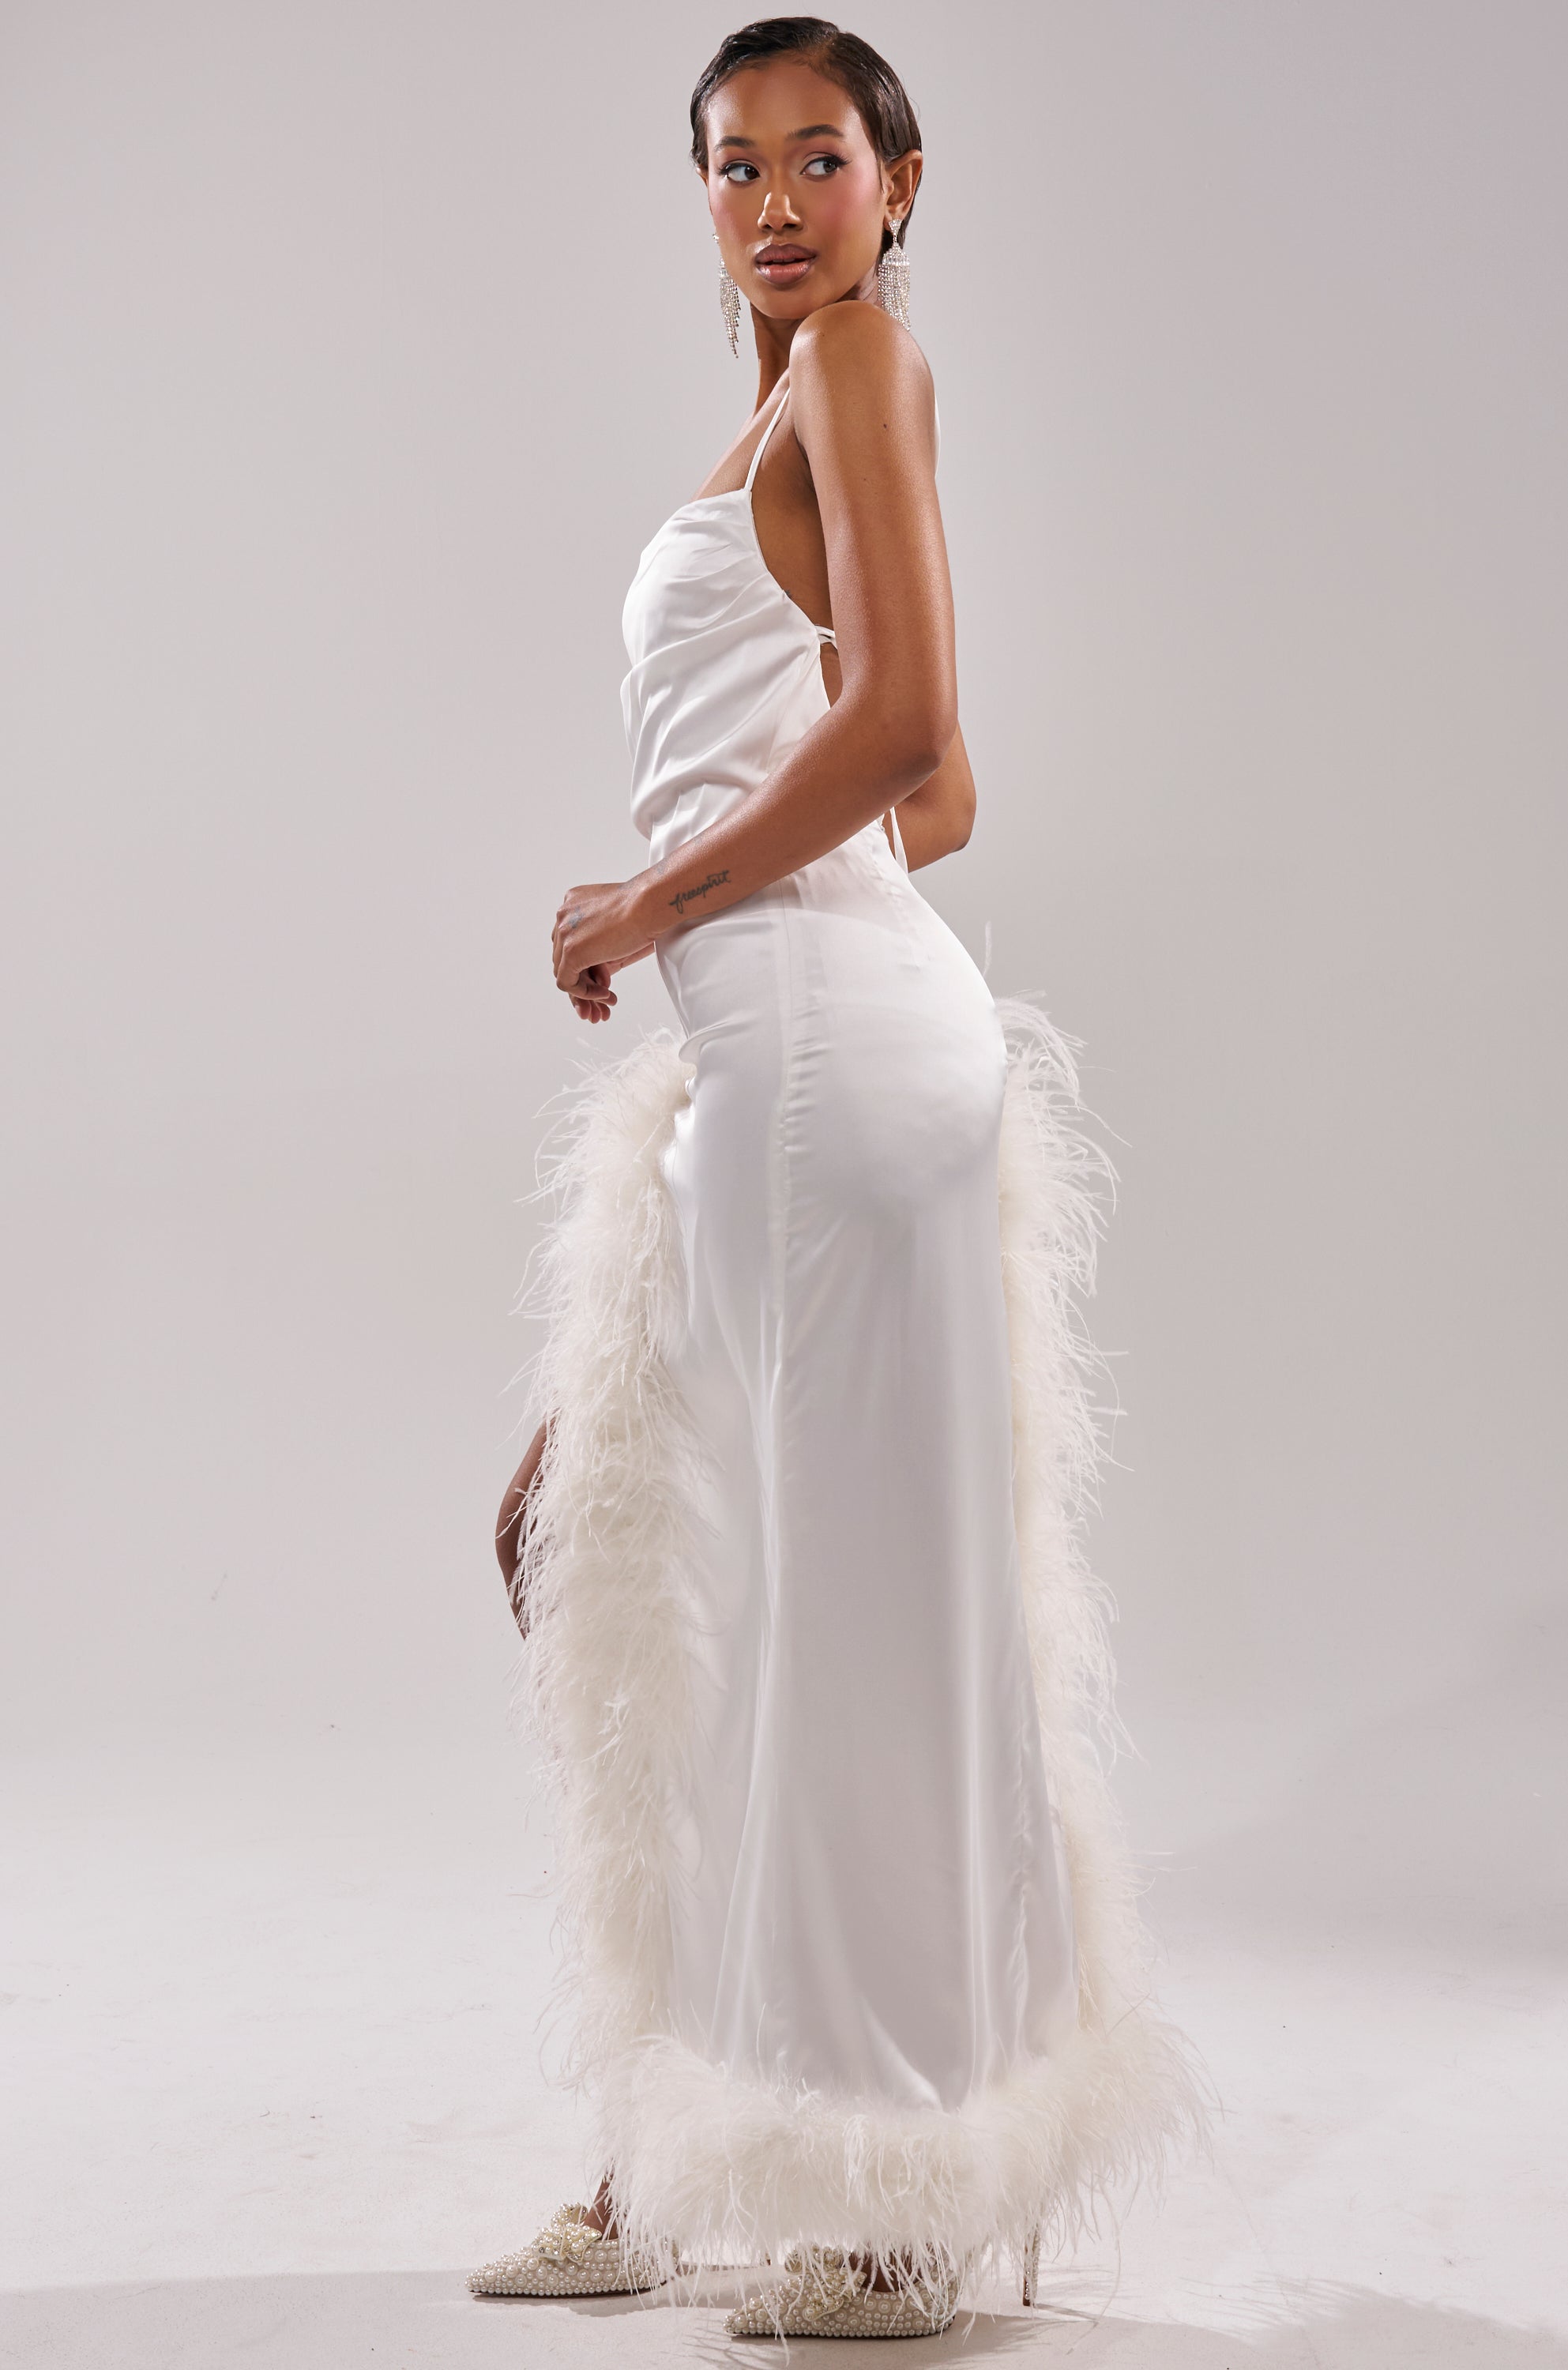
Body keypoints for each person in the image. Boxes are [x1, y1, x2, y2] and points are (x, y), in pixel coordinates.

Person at [470, 17, 1203, 2342]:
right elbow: (935, 791)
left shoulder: (865, 362)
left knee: (835, 1610)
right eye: (733, 165)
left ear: (900, 181)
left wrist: (653, 897)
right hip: (785, 1059)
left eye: (818, 158)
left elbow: (901, 732)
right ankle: (698, 2144)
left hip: (826, 1070)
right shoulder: (800, 408)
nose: (776, 203)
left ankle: (886, 2197)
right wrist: (722, 901)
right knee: (621, 1549)